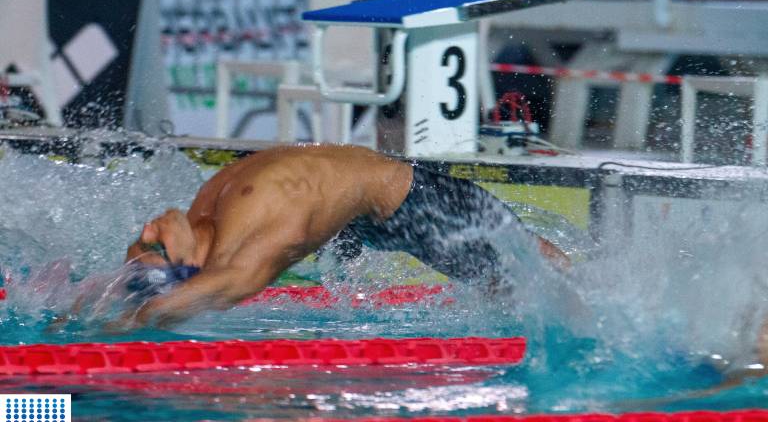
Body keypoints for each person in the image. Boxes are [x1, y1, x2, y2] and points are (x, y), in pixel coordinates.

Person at [119, 144, 569, 329]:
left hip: (402, 199)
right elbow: (170, 270)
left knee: (523, 266)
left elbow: (212, 290)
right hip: (350, 208)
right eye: (152, 244)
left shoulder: (254, 247)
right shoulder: (204, 208)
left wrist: (127, 324)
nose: (148, 231)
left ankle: (595, 303)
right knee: (508, 279)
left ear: (189, 272)